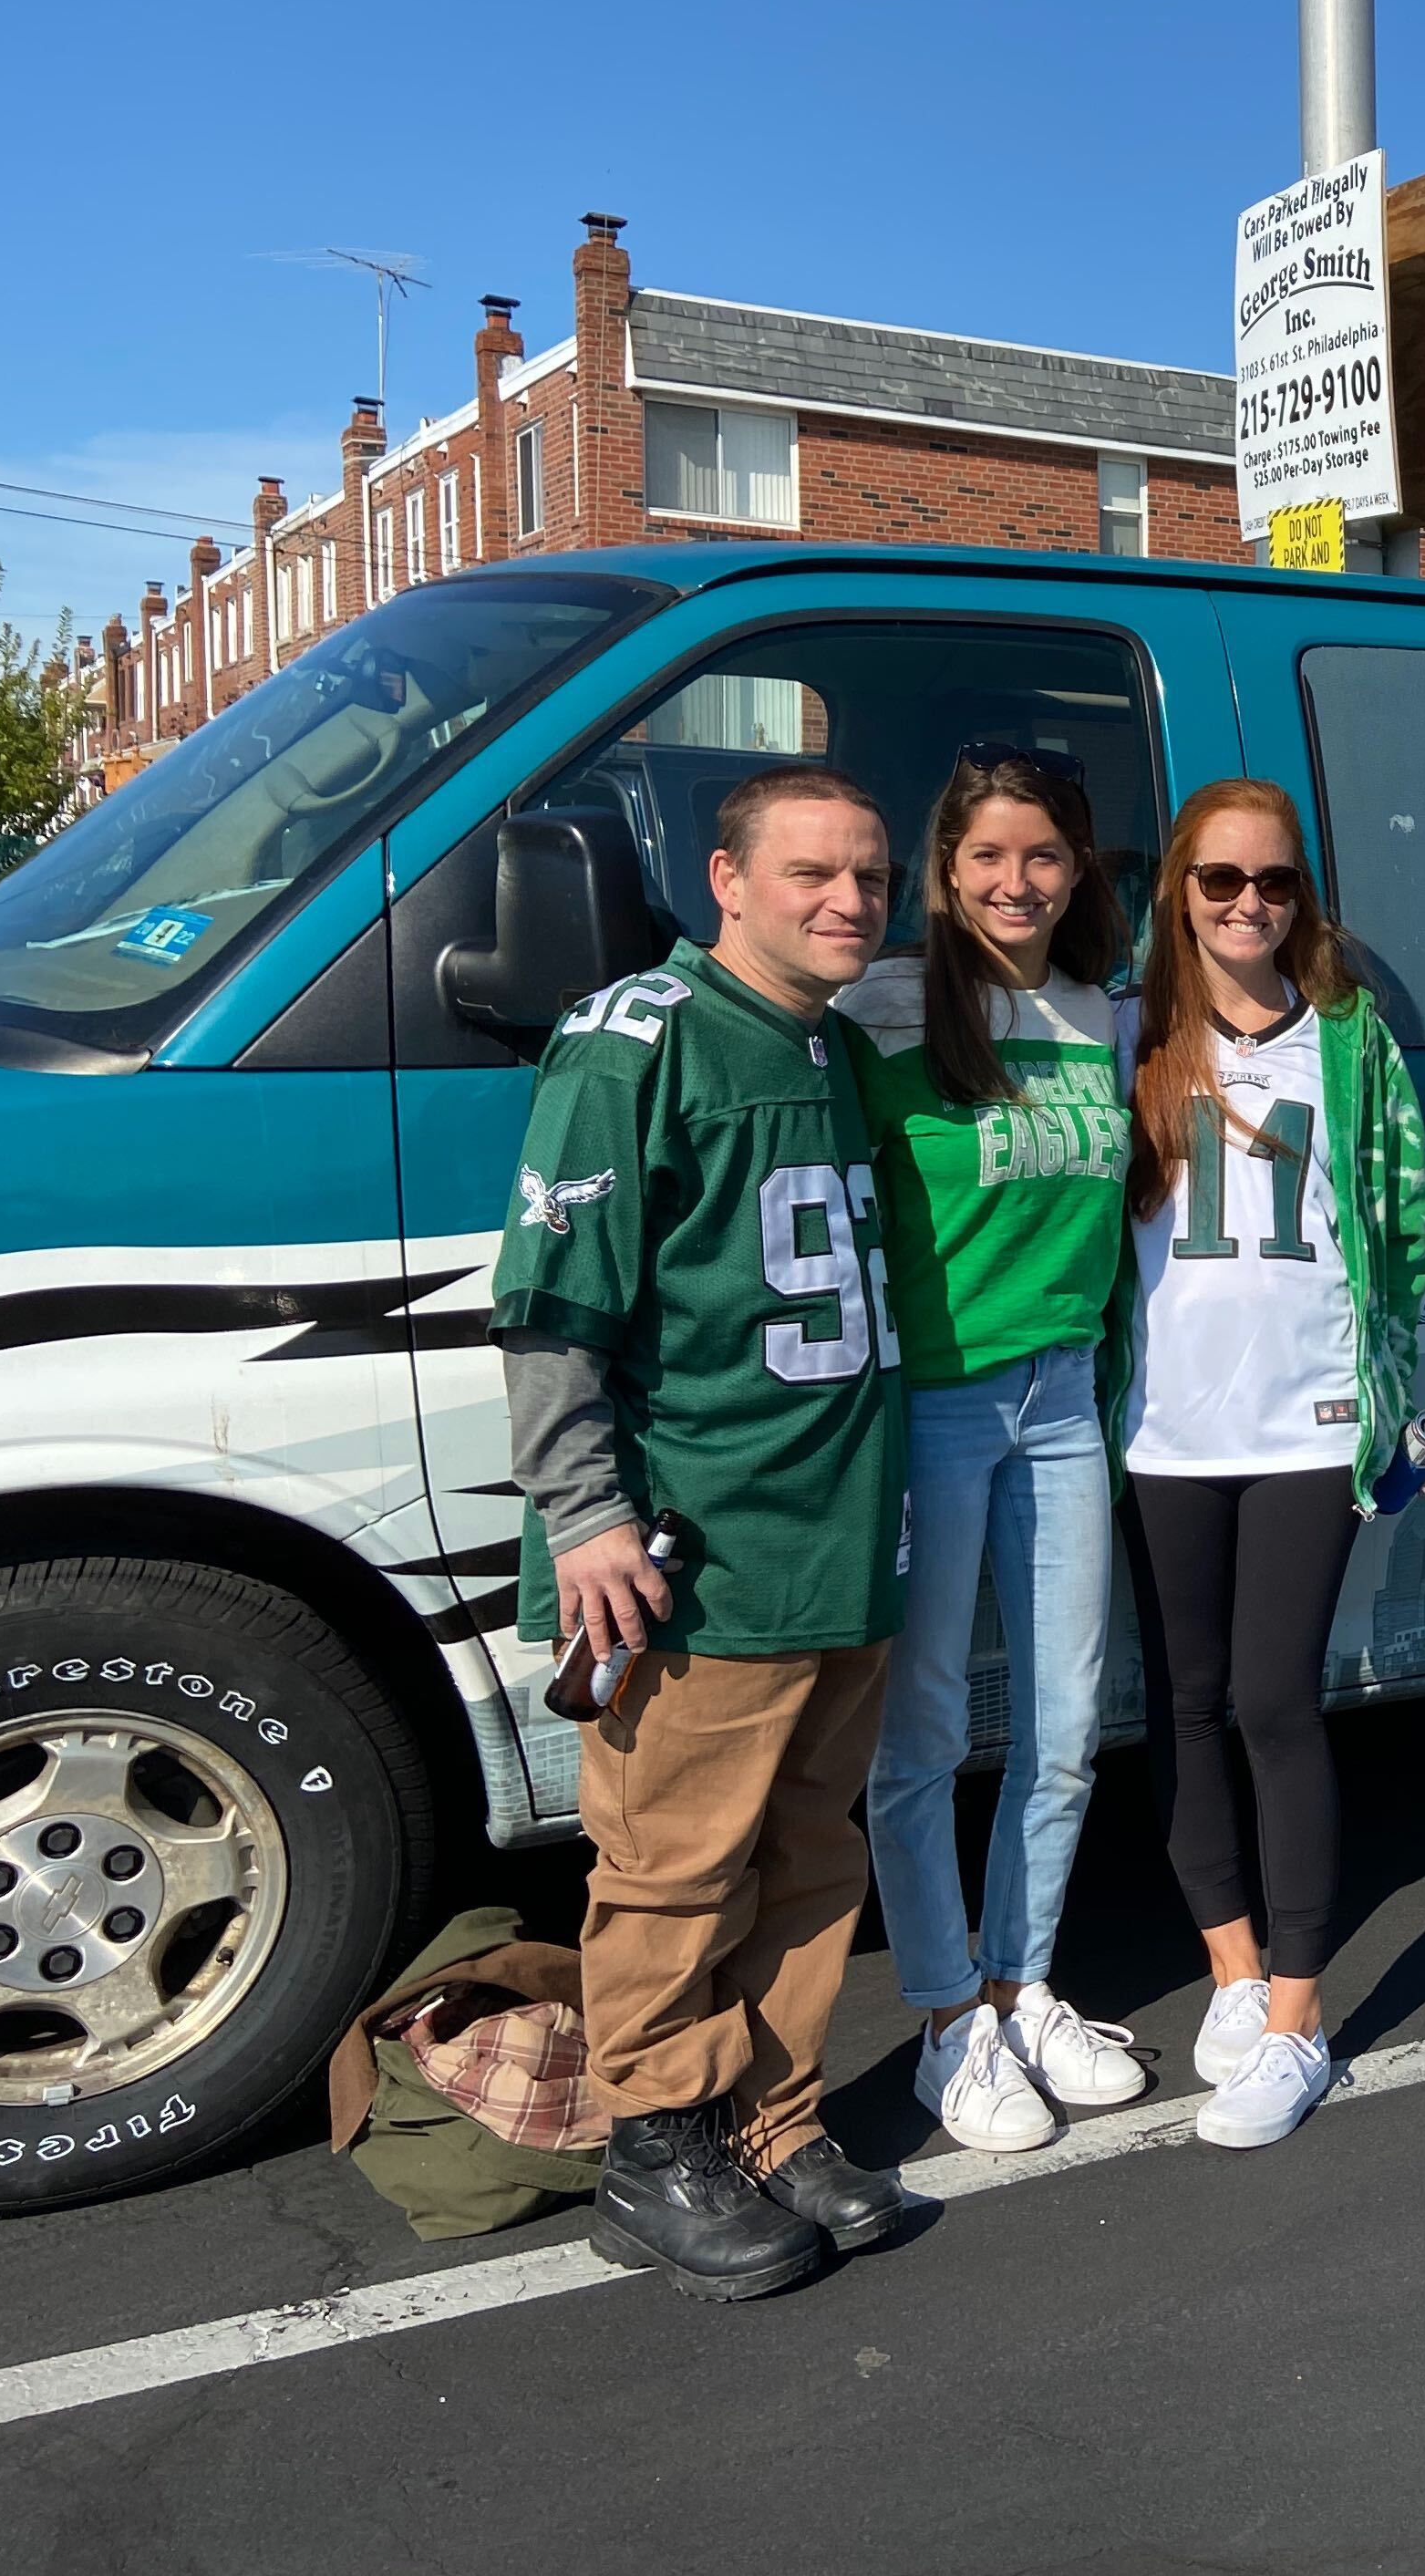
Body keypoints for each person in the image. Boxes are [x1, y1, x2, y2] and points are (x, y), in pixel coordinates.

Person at [495, 763, 910, 2302]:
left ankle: (774, 2114)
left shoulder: (836, 1043)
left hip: (842, 1534)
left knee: (809, 1855)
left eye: (868, 875)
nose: (846, 900)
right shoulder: (634, 1042)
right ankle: (653, 2141)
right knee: (672, 1864)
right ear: (726, 881)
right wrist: (587, 1511)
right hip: (703, 1542)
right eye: (810, 871)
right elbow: (552, 1302)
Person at [839, 742, 1150, 2153]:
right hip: (938, 1401)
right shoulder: (883, 1005)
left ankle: (1026, 1987)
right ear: (945, 870)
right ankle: (946, 2018)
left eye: (1043, 856)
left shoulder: (1103, 1012)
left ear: (1076, 868)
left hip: (1061, 1398)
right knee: (923, 1737)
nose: (1015, 882)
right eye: (987, 858)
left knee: (1069, 1728)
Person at [1121, 778, 1425, 2151]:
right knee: (1183, 1704)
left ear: (1304, 897)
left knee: (1273, 1703)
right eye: (1221, 882)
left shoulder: (1351, 1043)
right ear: (1180, 891)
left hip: (1305, 1425)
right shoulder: (1129, 1039)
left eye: (1275, 883)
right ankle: (1234, 1971)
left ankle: (1301, 2025)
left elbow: (1403, 1218)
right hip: (1160, 1433)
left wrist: (1387, 1390)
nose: (1250, 905)